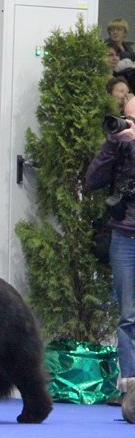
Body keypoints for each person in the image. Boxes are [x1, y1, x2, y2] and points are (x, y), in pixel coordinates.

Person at [86, 95, 135, 405]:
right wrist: (112, 144)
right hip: (124, 237)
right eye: (127, 118)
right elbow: (92, 180)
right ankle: (131, 391)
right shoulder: (119, 147)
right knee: (129, 315)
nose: (129, 125)